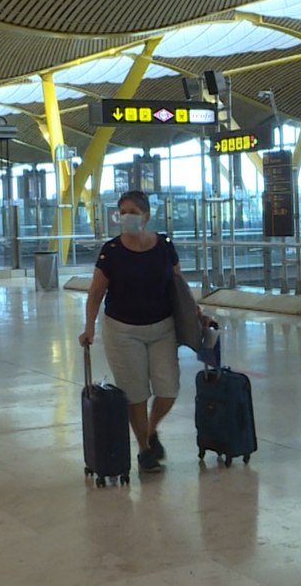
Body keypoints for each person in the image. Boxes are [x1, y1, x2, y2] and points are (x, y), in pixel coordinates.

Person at [78, 190, 206, 473]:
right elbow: (96, 293)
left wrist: (196, 314)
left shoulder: (163, 246)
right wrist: (89, 327)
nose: (127, 217)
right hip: (122, 331)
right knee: (135, 394)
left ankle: (151, 428)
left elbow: (179, 285)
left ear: (146, 216)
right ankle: (145, 450)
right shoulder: (111, 252)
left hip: (162, 328)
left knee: (168, 389)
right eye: (123, 212)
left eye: (133, 212)